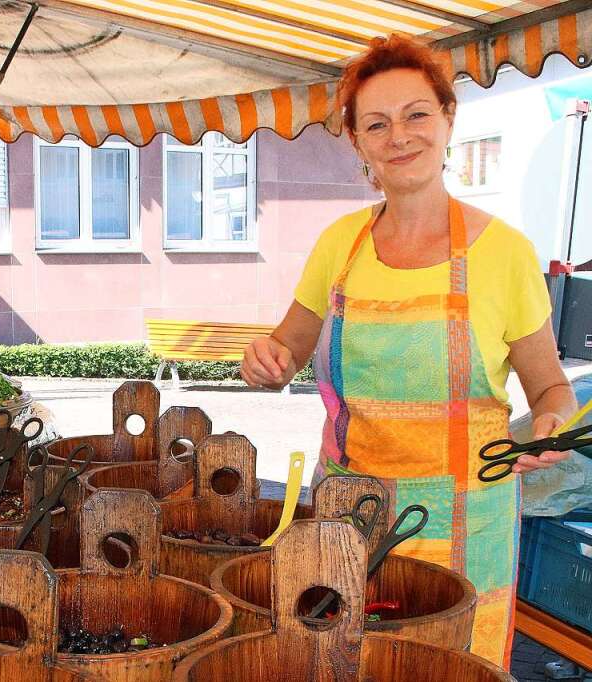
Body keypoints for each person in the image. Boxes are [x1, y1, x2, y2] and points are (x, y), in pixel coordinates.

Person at [241, 33, 577, 669]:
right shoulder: (338, 244)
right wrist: (263, 360)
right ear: (359, 142)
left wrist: (553, 423)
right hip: (348, 522)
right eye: (377, 123)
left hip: (467, 529)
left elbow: (550, 390)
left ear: (449, 118)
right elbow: (284, 347)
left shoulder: (504, 252)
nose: (399, 135)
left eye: (417, 114)